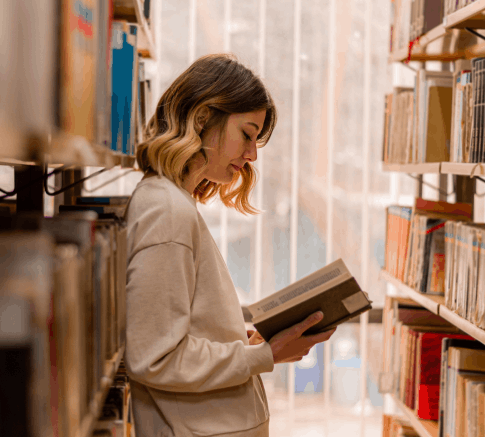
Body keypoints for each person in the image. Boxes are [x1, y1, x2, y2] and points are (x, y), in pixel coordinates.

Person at [124, 53, 336, 437]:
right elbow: (156, 358)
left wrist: (242, 339)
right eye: (247, 134)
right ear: (203, 118)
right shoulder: (167, 211)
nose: (253, 154)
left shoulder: (175, 202)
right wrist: (263, 355)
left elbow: (179, 328)